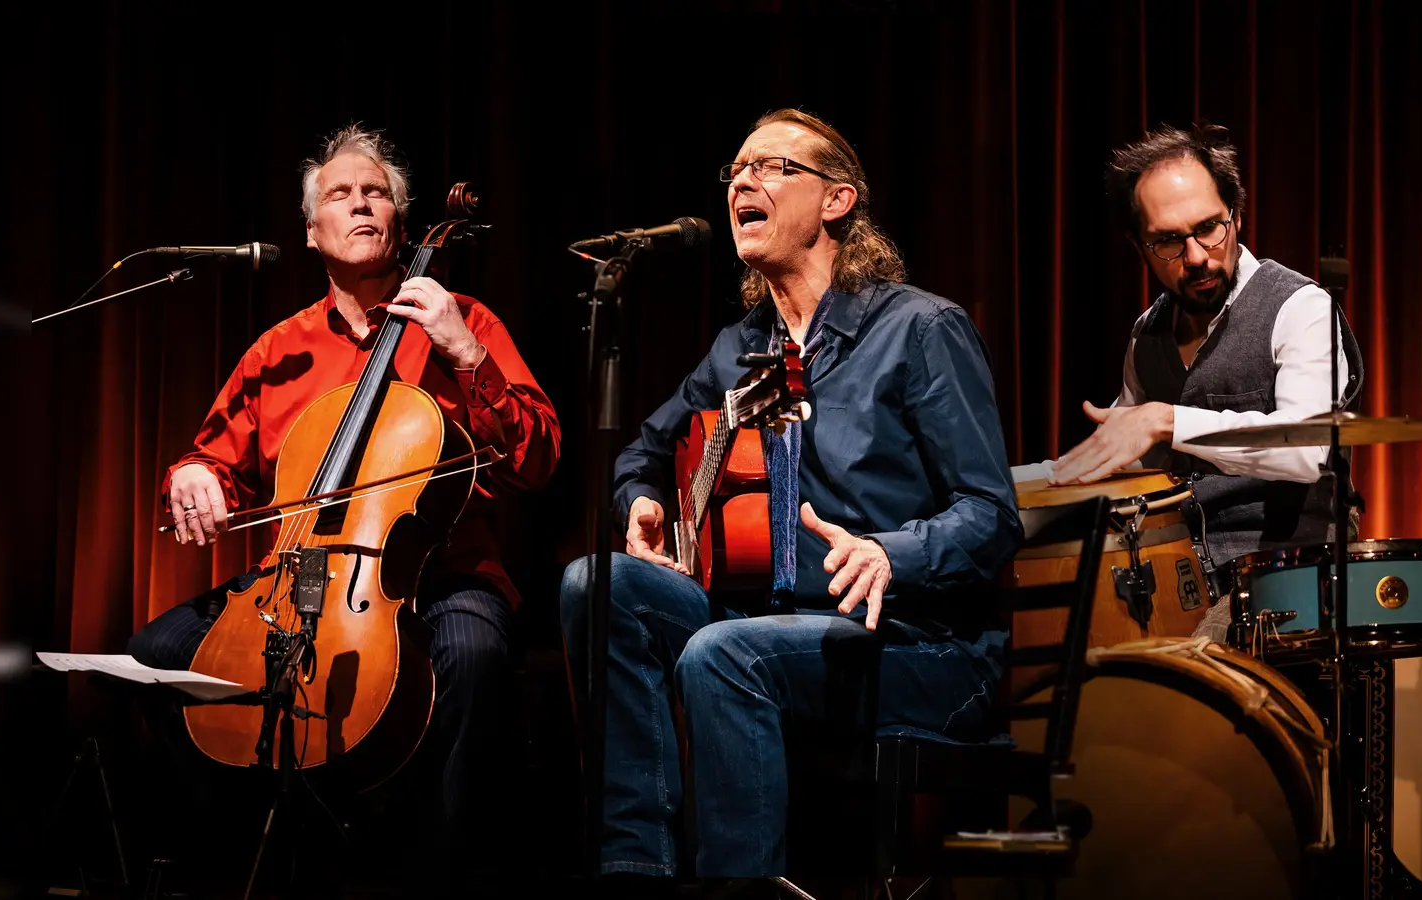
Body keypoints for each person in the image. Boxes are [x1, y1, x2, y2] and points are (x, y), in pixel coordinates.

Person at [558, 108, 1021, 881]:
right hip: (770, 627)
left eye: (772, 166)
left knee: (721, 652)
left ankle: (743, 890)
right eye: (736, 170)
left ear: (837, 201)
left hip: (915, 647)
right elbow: (642, 453)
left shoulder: (919, 329)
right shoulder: (742, 350)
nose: (743, 181)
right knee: (597, 586)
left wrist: (890, 553)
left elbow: (991, 513)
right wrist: (639, 503)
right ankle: (636, 868)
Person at [126, 124, 561, 891]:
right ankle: (239, 861)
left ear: (400, 220)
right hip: (293, 581)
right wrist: (192, 476)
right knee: (155, 656)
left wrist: (465, 350)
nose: (361, 204)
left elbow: (537, 461)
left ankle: (432, 872)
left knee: (471, 657)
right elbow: (215, 463)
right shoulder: (279, 350)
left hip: (439, 576)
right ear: (311, 230)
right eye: (341, 194)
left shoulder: (464, 320)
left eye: (376, 193)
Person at [1051, 122, 1363, 641]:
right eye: (1168, 241)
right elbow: (1134, 460)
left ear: (1236, 215)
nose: (1196, 256)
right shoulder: (1147, 335)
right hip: (1179, 576)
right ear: (1138, 246)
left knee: (1184, 672)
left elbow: (1305, 451)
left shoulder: (1300, 308)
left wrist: (1166, 420)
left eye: (1209, 228)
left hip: (1289, 575)